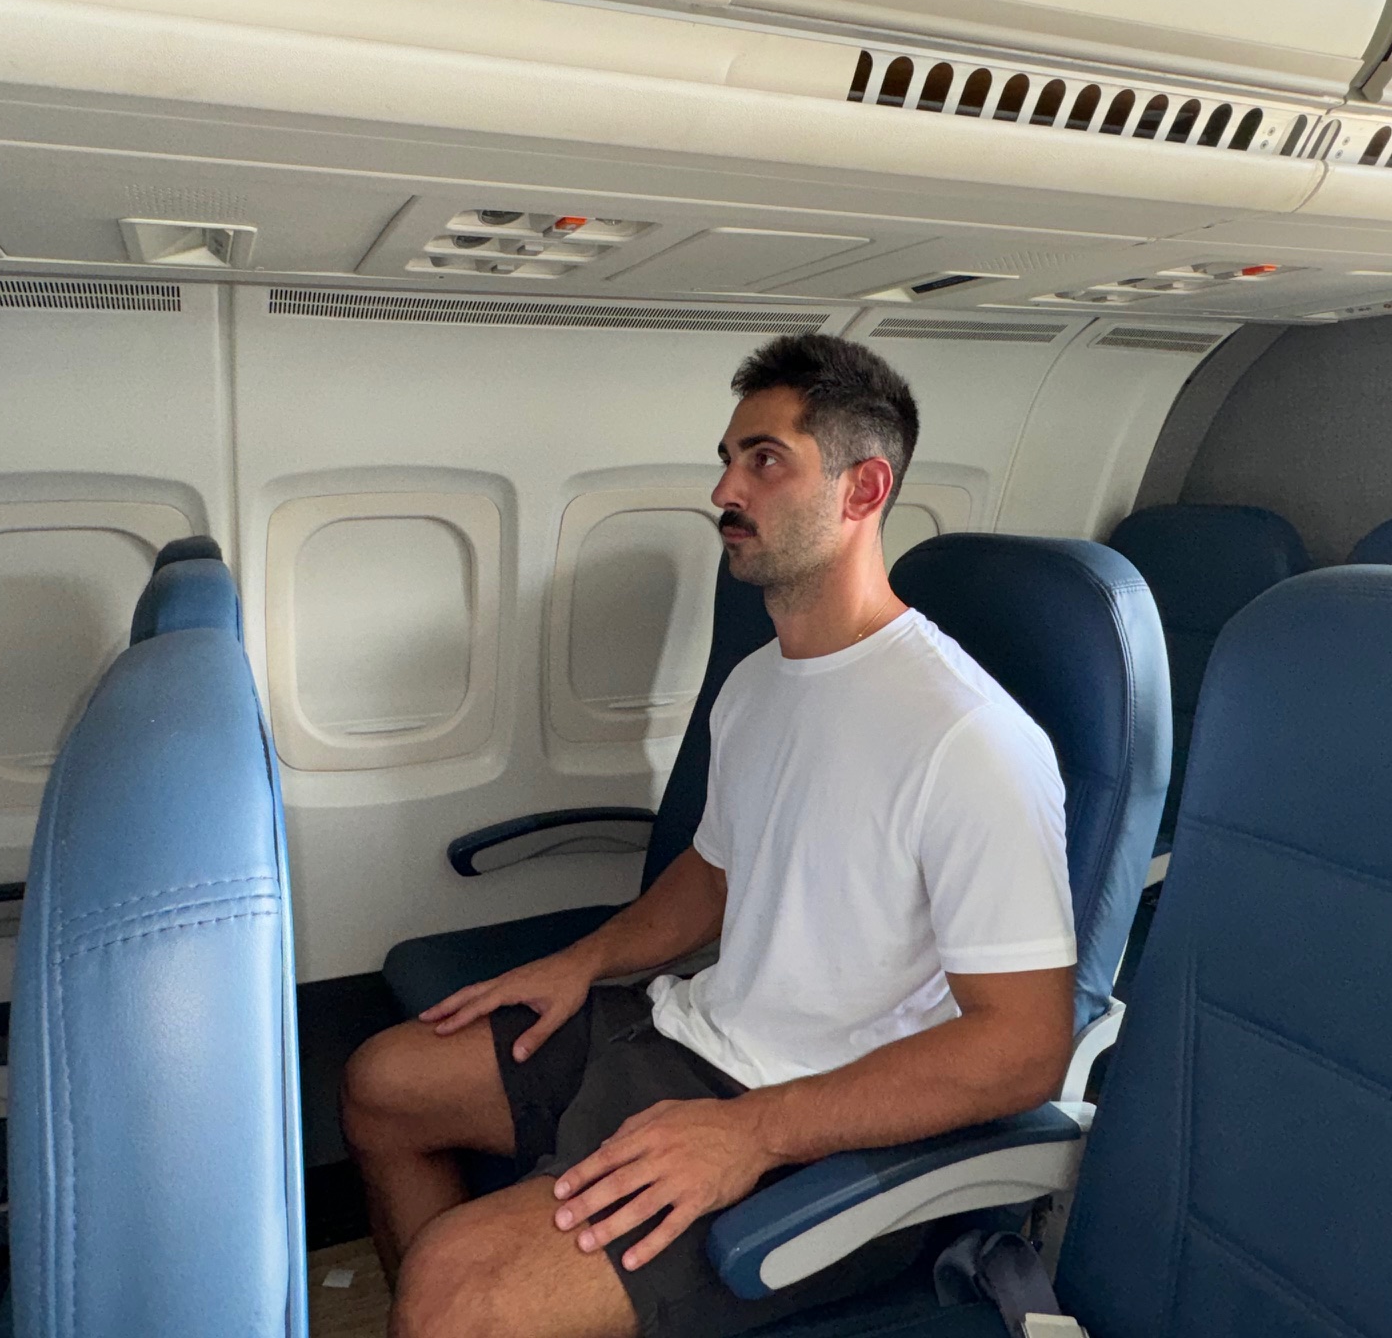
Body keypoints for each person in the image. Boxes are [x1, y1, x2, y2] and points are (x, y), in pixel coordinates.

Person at [343, 334, 1076, 1338]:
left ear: (864, 490)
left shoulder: (972, 739)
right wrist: (582, 962)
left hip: (826, 1129)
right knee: (383, 1085)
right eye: (728, 459)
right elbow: (714, 877)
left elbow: (1025, 1050)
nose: (725, 490)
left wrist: (753, 1132)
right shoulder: (759, 682)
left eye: (765, 461)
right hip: (691, 1029)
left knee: (451, 1291)